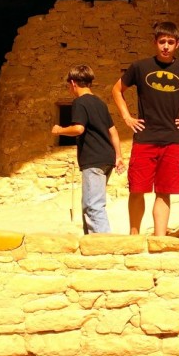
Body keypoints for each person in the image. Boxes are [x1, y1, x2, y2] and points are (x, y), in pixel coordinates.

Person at [112, 21, 179, 236]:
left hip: (172, 139)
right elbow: (117, 89)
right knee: (137, 190)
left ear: (177, 44)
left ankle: (160, 238)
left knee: (164, 192)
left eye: (170, 42)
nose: (166, 46)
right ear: (155, 43)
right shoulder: (140, 67)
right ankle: (134, 236)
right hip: (144, 138)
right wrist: (127, 117)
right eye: (162, 42)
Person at [52, 65, 124, 234]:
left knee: (93, 206)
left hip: (93, 159)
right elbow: (113, 131)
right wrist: (119, 156)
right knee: (89, 203)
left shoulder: (79, 102)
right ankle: (91, 242)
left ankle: (104, 246)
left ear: (73, 83)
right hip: (107, 158)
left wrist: (59, 130)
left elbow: (78, 129)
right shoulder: (100, 103)